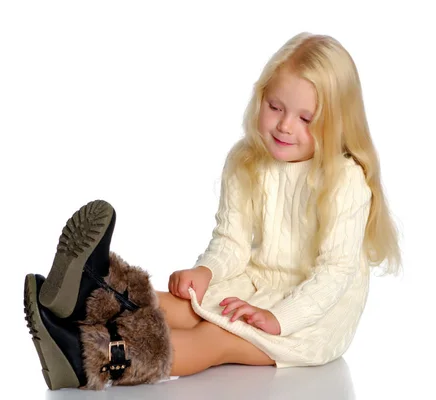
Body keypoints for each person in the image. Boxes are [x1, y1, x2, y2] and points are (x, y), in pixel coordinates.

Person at [23, 31, 402, 390]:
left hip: (315, 319)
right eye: (275, 107)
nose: (285, 126)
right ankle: (87, 297)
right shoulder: (246, 161)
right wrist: (206, 271)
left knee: (214, 336)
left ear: (337, 125)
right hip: (257, 285)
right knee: (183, 308)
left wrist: (278, 318)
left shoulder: (345, 181)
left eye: (306, 119)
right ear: (260, 98)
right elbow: (231, 241)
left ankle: (86, 356)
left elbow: (334, 276)